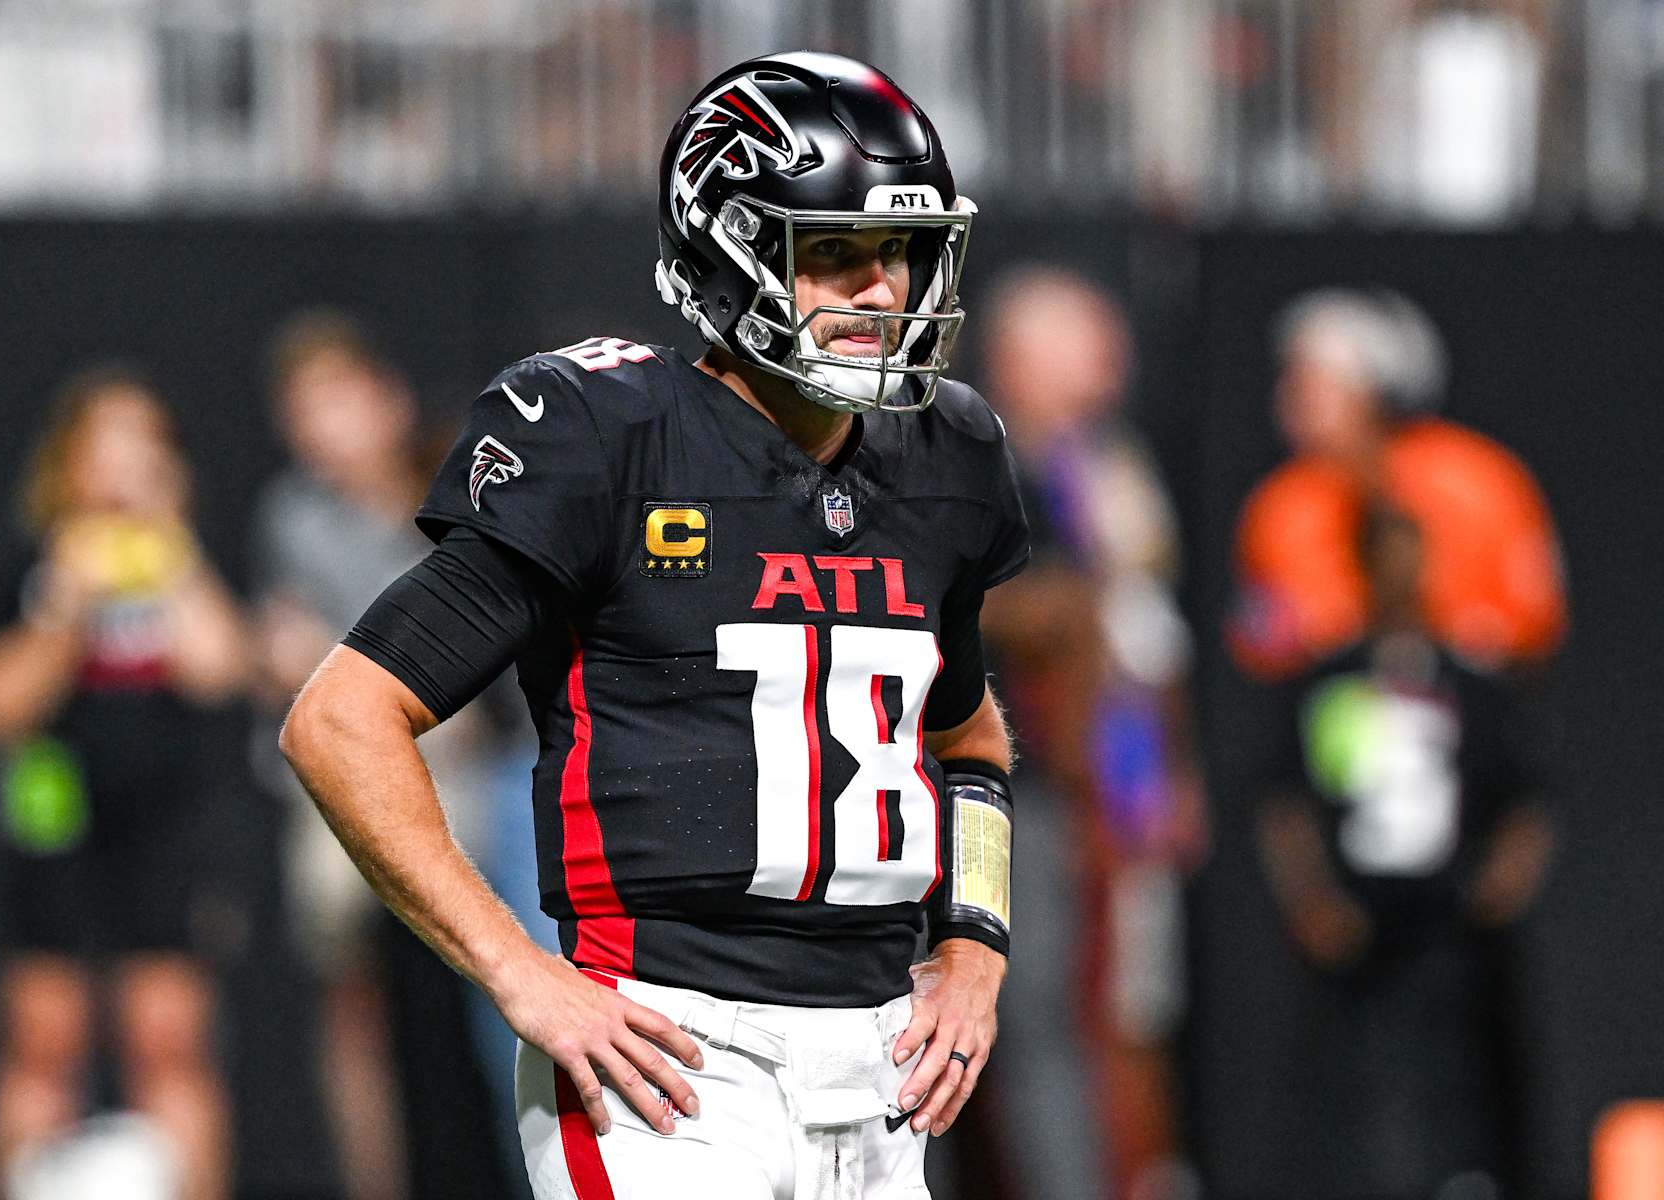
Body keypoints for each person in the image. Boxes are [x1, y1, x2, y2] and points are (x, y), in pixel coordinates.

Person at [279, 51, 1027, 1198]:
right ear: (728, 250)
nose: (883, 288)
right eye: (833, 252)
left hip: (881, 1070)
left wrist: (973, 947)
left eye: (899, 252)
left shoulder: (949, 457)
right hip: (672, 1062)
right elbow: (339, 719)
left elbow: (968, 747)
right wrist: (519, 971)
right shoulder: (609, 435)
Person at [253, 310, 531, 1199]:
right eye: (298, 409)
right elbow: (300, 671)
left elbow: (490, 680)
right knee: (361, 1012)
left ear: (386, 398)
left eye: (332, 399)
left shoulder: (463, 480)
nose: (315, 427)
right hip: (359, 786)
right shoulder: (296, 517)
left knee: (508, 998)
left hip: (484, 785)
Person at [0, 366, 248, 1200]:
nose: (124, 462)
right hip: (53, 826)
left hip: (166, 824)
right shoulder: (31, 563)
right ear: (70, 459)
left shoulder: (184, 556)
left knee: (171, 1044)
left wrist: (170, 547)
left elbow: (221, 668)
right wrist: (64, 604)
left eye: (143, 442)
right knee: (42, 1042)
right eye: (106, 443)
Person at [1253, 503, 1553, 1196]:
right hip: (1357, 920)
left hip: (1450, 919)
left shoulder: (1468, 681)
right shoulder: (1331, 684)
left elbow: (1524, 795)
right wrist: (1313, 900)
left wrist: (1500, 883)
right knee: (1343, 1079)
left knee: (1464, 1070)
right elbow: (1287, 801)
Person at [981, 269, 1203, 1200]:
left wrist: (1155, 777)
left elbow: (1140, 647)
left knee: (1102, 1008)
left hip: (1092, 787)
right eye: (1087, 347)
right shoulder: (973, 457)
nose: (1113, 369)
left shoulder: (1109, 473)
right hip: (989, 781)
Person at [1230, 288, 1566, 682]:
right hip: (1327, 709)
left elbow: (1534, 623)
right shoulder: (1282, 506)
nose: (1288, 401)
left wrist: (1447, 644)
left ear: (1374, 389)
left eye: (1310, 385)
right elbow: (1257, 637)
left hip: (1469, 709)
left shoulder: (1476, 482)